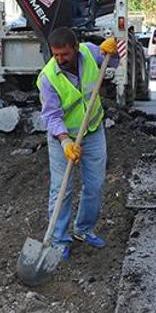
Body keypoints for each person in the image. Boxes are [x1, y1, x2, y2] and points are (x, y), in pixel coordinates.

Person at [36, 27, 119, 260]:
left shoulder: (91, 53)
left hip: (93, 131)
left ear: (75, 48)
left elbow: (113, 62)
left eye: (65, 54)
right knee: (61, 190)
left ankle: (83, 229)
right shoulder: (48, 77)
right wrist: (65, 142)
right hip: (62, 138)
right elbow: (51, 117)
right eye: (56, 55)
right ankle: (59, 240)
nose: (60, 59)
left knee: (94, 185)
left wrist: (112, 49)